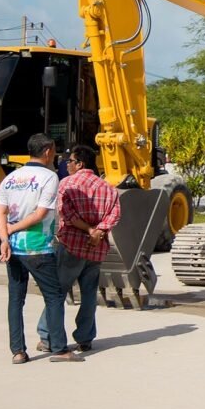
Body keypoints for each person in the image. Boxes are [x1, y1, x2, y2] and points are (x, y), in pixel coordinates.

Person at [0, 133, 78, 364]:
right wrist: (12, 229)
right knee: (54, 296)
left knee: (15, 299)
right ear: (48, 151)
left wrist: (4, 238)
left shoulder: (11, 178)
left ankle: (18, 351)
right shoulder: (49, 177)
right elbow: (40, 214)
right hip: (38, 247)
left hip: (13, 248)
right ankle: (59, 349)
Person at [36, 144, 121, 354]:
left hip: (71, 247)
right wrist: (99, 231)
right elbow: (115, 214)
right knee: (89, 294)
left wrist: (89, 230)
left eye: (70, 161)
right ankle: (85, 338)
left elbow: (66, 214)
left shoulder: (66, 184)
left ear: (80, 164)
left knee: (56, 293)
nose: (67, 165)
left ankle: (47, 337)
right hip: (95, 249)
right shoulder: (108, 188)